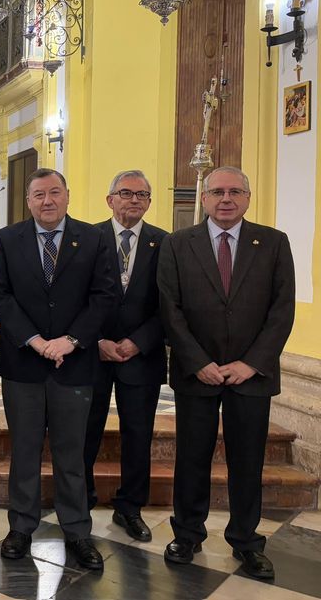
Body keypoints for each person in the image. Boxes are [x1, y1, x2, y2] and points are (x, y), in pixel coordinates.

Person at [159, 166, 295, 581]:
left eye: (235, 191)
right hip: (196, 372)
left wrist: (251, 363)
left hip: (251, 375)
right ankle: (187, 534)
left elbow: (282, 309)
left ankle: (246, 541)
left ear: (248, 198)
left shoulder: (273, 242)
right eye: (217, 191)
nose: (226, 199)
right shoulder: (178, 243)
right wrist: (197, 361)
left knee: (247, 460)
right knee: (192, 457)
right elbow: (169, 308)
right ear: (204, 198)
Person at [0, 168, 114, 570]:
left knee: (71, 453)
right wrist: (36, 340)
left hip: (74, 363)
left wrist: (71, 340)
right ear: (28, 200)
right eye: (39, 194)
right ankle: (21, 527)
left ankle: (77, 531)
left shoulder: (93, 238)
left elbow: (104, 295)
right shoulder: (7, 239)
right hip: (23, 362)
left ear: (67, 196)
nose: (47, 201)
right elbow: (0, 295)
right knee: (24, 450)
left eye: (54, 192)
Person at [83, 170, 167, 542]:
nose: (134, 200)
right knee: (86, 432)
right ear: (110, 199)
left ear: (149, 201)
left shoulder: (165, 243)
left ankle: (130, 507)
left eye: (142, 195)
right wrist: (96, 340)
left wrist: (138, 342)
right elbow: (74, 297)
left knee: (138, 435)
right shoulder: (86, 238)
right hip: (92, 354)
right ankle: (80, 500)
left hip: (141, 356)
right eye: (126, 193)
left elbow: (172, 304)